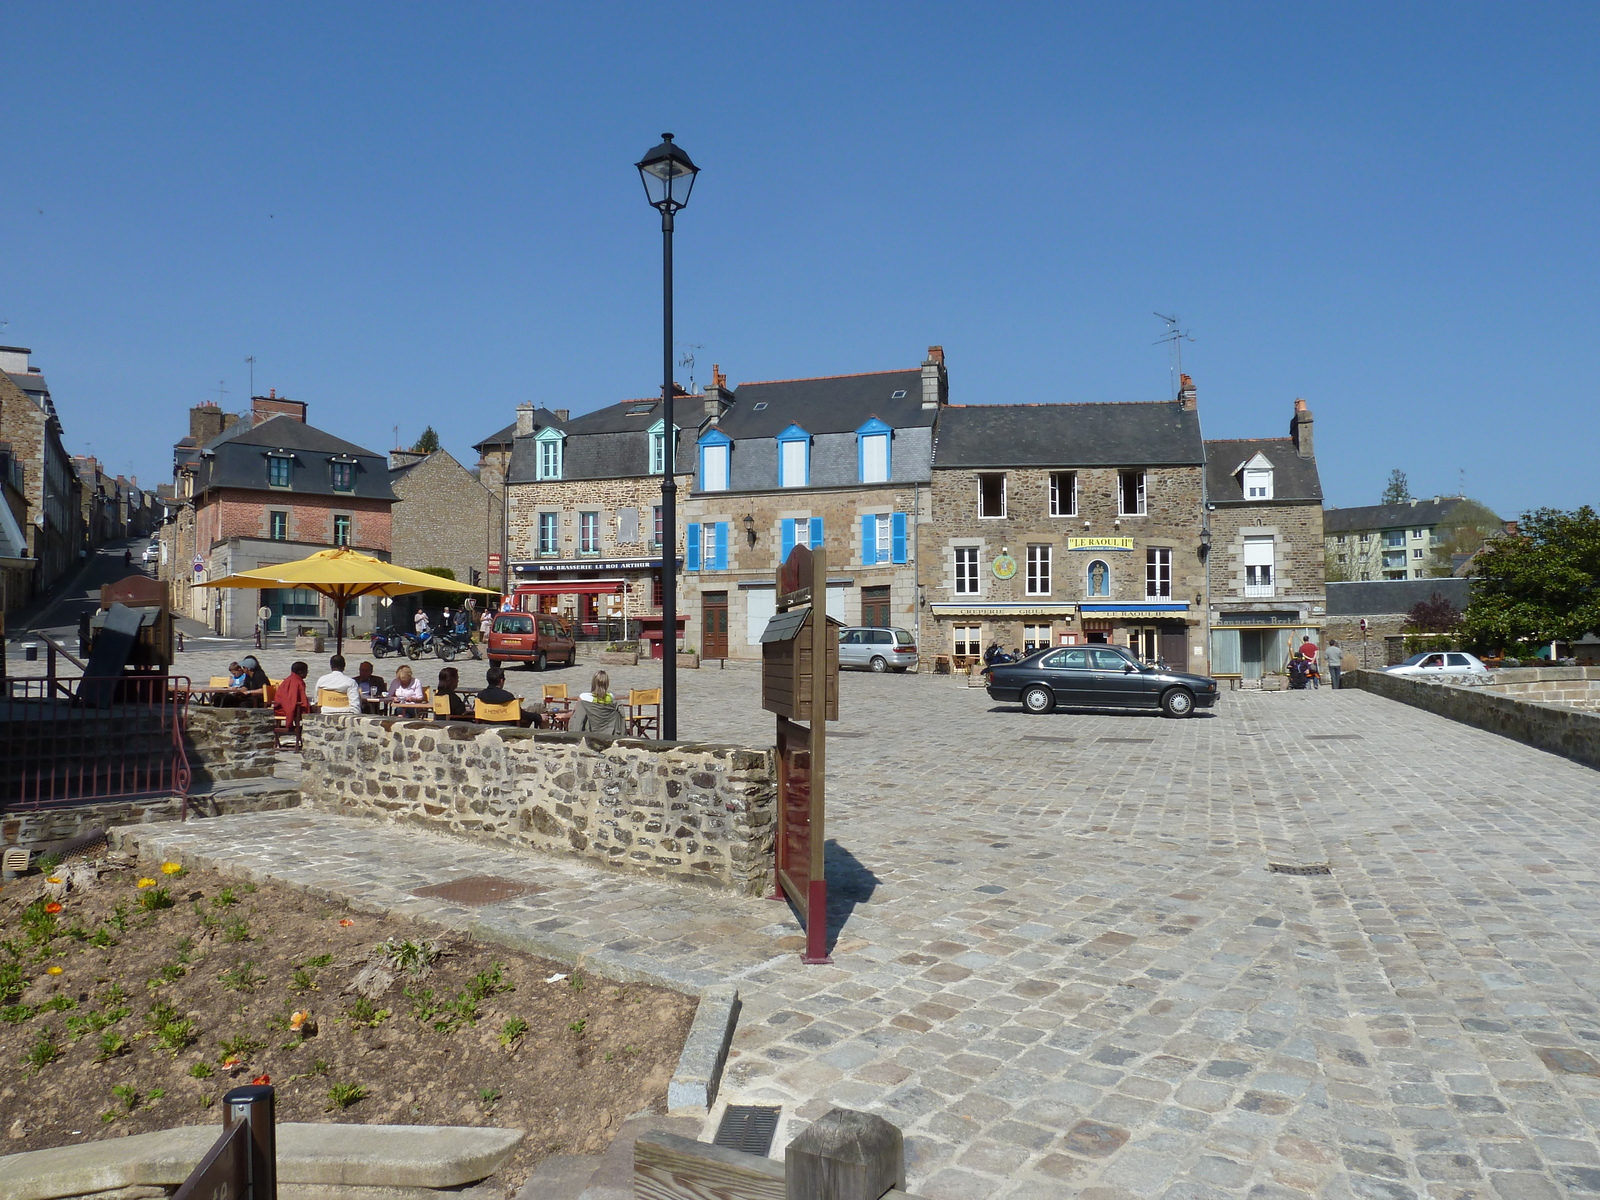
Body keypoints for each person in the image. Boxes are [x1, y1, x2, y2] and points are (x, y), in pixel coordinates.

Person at [574, 670, 626, 736]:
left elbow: (575, 714)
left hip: (590, 731)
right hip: (608, 731)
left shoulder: (584, 698)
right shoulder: (611, 698)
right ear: (607, 684)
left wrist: (563, 715)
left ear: (593, 683)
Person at [274, 661, 311, 728]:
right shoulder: (294, 682)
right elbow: (290, 701)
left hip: (292, 706)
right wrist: (289, 721)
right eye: (306, 671)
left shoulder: (293, 679)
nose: (307, 673)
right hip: (285, 709)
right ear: (301, 673)